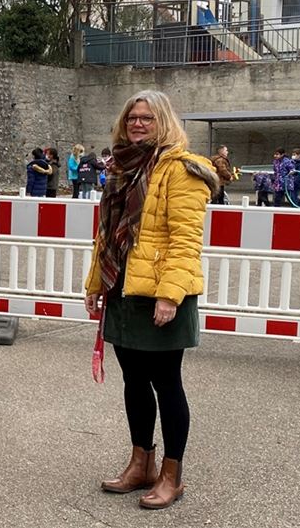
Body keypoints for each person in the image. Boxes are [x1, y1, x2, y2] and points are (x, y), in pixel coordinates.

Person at [83, 90, 218, 511]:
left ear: (164, 122)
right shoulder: (121, 166)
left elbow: (185, 240)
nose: (138, 124)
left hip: (161, 294)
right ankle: (141, 462)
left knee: (167, 383)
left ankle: (171, 475)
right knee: (133, 381)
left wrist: (170, 295)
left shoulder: (181, 170)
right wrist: (95, 282)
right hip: (124, 288)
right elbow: (107, 234)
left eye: (147, 118)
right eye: (132, 118)